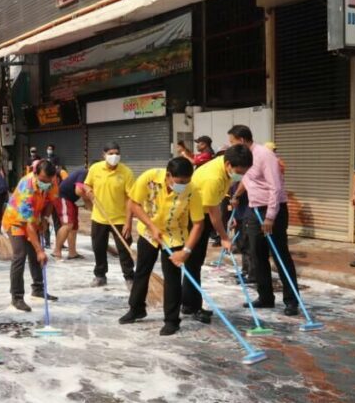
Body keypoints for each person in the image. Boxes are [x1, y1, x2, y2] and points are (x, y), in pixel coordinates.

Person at [119, 157, 205, 336]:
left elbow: (198, 223)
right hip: (149, 231)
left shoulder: (192, 190)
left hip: (174, 235)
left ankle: (172, 320)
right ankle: (136, 309)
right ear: (168, 176)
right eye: (180, 182)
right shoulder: (149, 178)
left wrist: (185, 251)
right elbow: (134, 204)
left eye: (187, 181)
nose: (184, 185)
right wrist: (151, 226)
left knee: (172, 278)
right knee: (142, 271)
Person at [228, 125, 299, 316]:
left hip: (272, 209)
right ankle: (265, 297)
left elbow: (276, 187)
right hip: (253, 209)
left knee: (280, 254)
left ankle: (291, 300)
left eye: (232, 141)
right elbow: (247, 179)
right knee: (257, 255)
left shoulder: (265, 155)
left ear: (242, 140)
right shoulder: (243, 158)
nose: (231, 146)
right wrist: (236, 196)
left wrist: (270, 216)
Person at [182, 145, 254, 324]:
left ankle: (189, 304)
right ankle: (192, 306)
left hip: (202, 212)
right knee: (193, 263)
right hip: (194, 217)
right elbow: (214, 213)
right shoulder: (213, 177)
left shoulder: (224, 167)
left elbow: (219, 202)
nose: (240, 176)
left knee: (194, 263)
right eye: (239, 172)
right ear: (229, 164)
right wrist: (224, 237)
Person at [2, 160, 59, 312]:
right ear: (35, 174)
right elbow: (28, 226)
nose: (46, 184)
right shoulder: (26, 187)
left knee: (34, 254)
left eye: (48, 181)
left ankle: (38, 289)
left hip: (33, 218)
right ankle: (17, 297)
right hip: (16, 221)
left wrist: (45, 219)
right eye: (42, 180)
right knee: (20, 255)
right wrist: (40, 250)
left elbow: (50, 201)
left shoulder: (52, 181)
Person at [83, 142, 136, 288]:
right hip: (99, 217)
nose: (114, 156)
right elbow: (87, 184)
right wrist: (88, 190)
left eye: (117, 153)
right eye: (111, 153)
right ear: (104, 155)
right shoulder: (95, 168)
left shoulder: (126, 172)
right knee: (99, 248)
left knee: (124, 250)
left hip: (120, 219)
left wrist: (128, 222)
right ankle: (100, 275)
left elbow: (132, 199)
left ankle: (129, 277)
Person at [53, 167, 88, 260]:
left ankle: (72, 253)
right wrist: (90, 201)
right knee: (68, 224)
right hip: (63, 197)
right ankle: (56, 250)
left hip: (71, 200)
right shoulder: (84, 173)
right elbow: (78, 190)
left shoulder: (92, 178)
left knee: (74, 227)